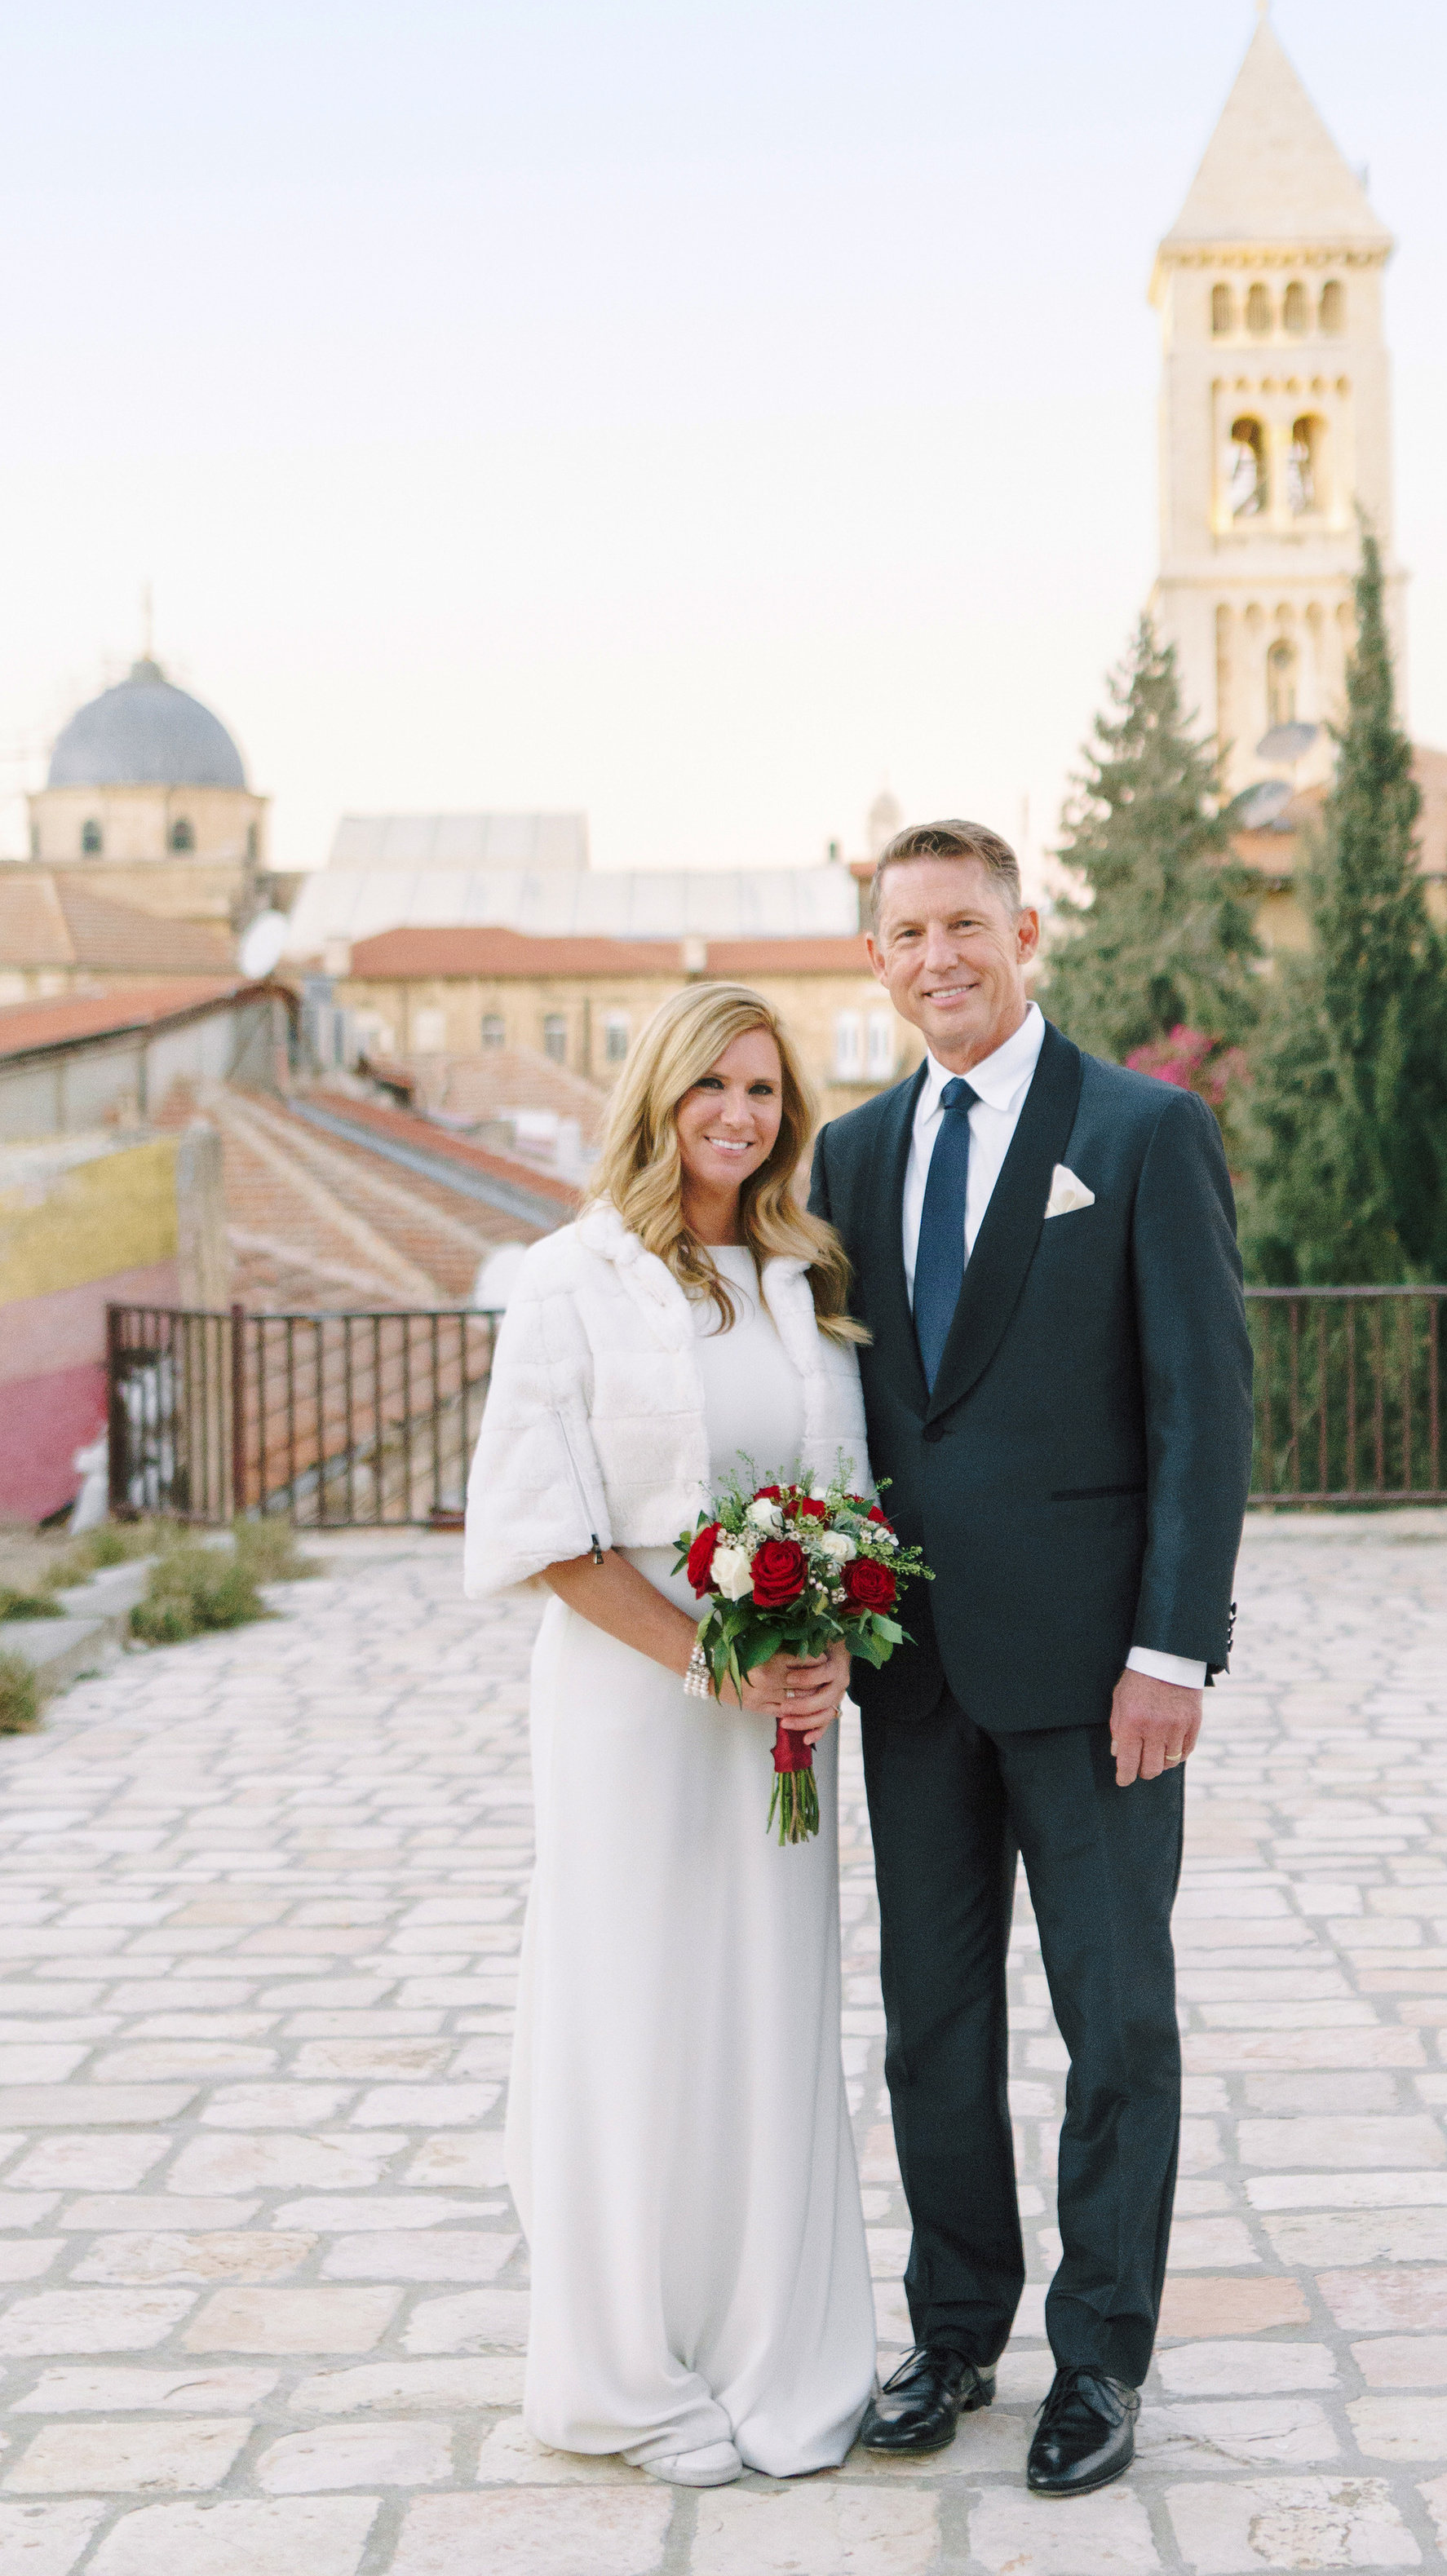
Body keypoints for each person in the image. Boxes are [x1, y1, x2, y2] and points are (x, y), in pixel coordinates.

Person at [808, 820, 1252, 2499]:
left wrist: (1173, 1652)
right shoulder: (849, 1157)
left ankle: (1099, 2361)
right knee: (930, 2023)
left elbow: (1201, 1415)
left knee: (1114, 2021)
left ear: (1025, 929)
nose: (939, 957)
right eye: (906, 931)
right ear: (874, 956)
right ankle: (950, 2332)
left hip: (1095, 1680)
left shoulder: (1141, 1134)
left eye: (965, 926)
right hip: (910, 1677)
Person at [463, 983, 877, 2487]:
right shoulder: (571, 1281)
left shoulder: (797, 1275)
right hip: (637, 1710)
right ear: (659, 1094)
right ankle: (624, 2375)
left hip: (784, 1722)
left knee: (769, 2019)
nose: (739, 1116)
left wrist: (828, 1643)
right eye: (713, 1086)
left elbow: (848, 1503)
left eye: (765, 1092)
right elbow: (544, 1532)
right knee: (634, 2011)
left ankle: (778, 2357)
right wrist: (709, 1661)